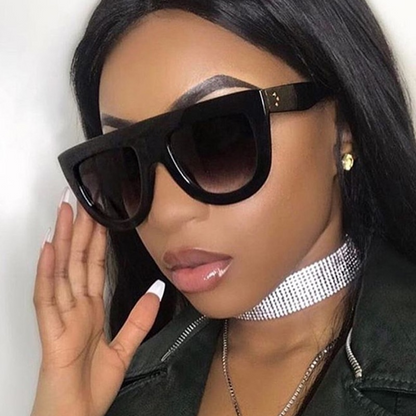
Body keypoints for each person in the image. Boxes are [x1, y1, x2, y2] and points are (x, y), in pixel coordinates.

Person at [31, 1, 416, 415]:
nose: (164, 212)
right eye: (126, 164)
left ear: (343, 128)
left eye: (218, 140)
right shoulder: (120, 390)